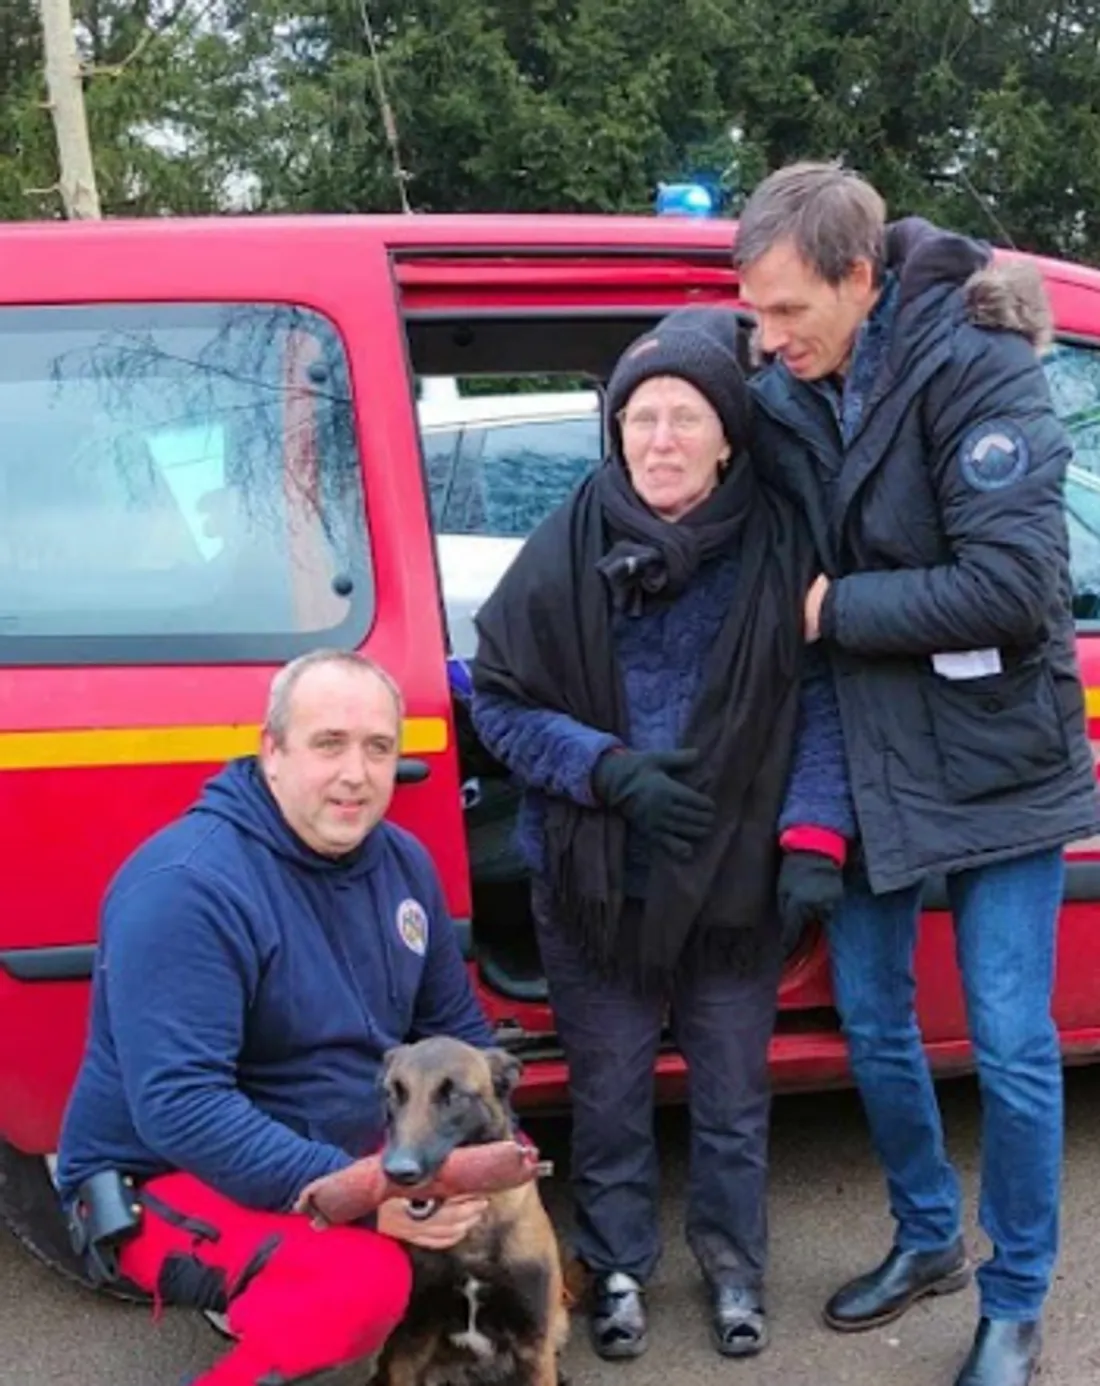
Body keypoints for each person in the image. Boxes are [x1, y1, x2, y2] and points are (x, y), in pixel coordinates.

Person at [734, 161, 1100, 1386]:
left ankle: (1013, 1300)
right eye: (751, 311)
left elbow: (1014, 591)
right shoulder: (782, 388)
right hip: (872, 752)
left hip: (998, 756)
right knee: (874, 1021)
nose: (765, 335)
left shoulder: (976, 361)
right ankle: (927, 1240)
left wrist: (839, 606)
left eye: (787, 310)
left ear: (857, 278)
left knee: (1005, 1038)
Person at [470, 309, 855, 1361]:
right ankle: (621, 1266)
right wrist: (605, 770)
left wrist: (815, 837)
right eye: (639, 417)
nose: (660, 439)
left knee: (732, 1097)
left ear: (727, 436)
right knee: (608, 1097)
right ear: (616, 432)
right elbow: (497, 703)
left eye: (684, 416)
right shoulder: (565, 542)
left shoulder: (781, 549)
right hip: (596, 879)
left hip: (733, 883)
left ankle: (734, 1266)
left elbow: (820, 701)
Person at [56, 649, 497, 1386]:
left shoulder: (404, 862)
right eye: (329, 743)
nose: (356, 773)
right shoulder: (187, 888)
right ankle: (278, 1308)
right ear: (272, 751)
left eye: (378, 748)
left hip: (324, 1149)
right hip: (160, 1174)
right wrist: (372, 1194)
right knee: (358, 1288)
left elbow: (457, 1035)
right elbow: (182, 1109)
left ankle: (301, 1295)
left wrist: (477, 1160)